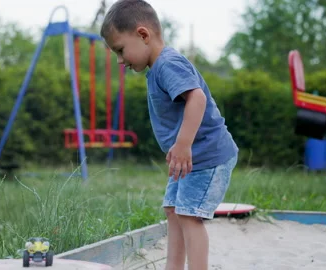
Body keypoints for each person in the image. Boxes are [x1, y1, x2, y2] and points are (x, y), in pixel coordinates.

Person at [100, 1, 239, 269]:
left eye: (120, 50)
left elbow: (196, 98)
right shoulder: (158, 69)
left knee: (188, 216)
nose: (120, 60)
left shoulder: (167, 64)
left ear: (143, 35)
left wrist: (183, 144)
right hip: (191, 159)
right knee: (174, 211)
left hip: (207, 155)